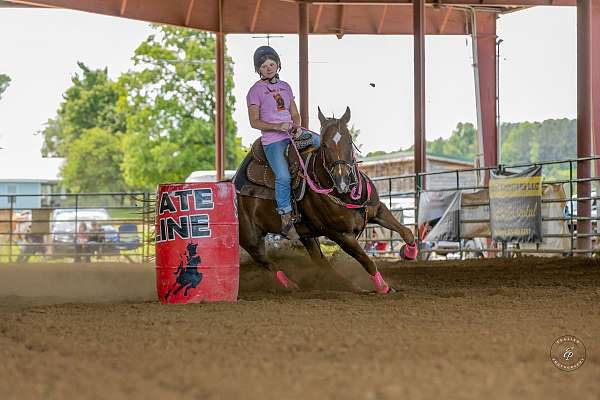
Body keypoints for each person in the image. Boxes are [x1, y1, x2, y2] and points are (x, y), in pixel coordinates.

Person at [246, 45, 321, 240]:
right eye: (263, 66)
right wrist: (276, 126)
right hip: (273, 141)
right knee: (283, 176)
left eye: (271, 64)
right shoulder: (255, 91)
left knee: (322, 144)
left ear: (278, 65)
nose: (268, 68)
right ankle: (286, 218)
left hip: (292, 135)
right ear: (258, 70)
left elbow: (295, 113)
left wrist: (297, 126)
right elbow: (254, 122)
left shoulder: (286, 86)